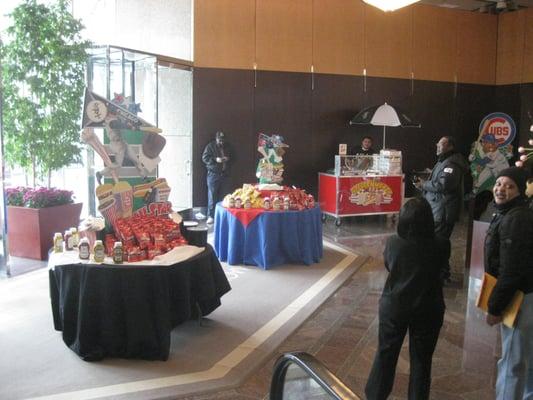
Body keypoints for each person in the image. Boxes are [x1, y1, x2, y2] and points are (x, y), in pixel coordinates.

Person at [365, 197, 450, 400]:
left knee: (386, 353)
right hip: (429, 306)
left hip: (395, 305)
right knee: (422, 361)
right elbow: (442, 269)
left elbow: (389, 265)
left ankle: (375, 395)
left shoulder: (394, 242)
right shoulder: (442, 243)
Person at [484, 167, 533, 400]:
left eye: (509, 186)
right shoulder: (509, 213)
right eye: (499, 183)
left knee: (513, 360)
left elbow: (511, 271)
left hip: (519, 298)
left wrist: (495, 307)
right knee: (525, 356)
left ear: (520, 191)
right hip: (524, 292)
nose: (501, 189)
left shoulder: (516, 219)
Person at [414, 136, 468, 280]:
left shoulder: (452, 163)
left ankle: (439, 273)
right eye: (437, 143)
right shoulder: (444, 161)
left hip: (442, 211)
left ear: (450, 146)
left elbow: (445, 185)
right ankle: (441, 271)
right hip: (438, 209)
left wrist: (423, 185)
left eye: (442, 144)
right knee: (439, 242)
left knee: (438, 243)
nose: (438, 146)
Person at [202, 131, 231, 224]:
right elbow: (204, 158)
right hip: (213, 174)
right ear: (216, 139)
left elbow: (233, 156)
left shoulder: (227, 146)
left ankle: (223, 216)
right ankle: (211, 216)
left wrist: (227, 158)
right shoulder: (210, 146)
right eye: (219, 140)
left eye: (223, 140)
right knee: (212, 196)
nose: (221, 142)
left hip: (224, 174)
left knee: (224, 195)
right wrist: (215, 159)